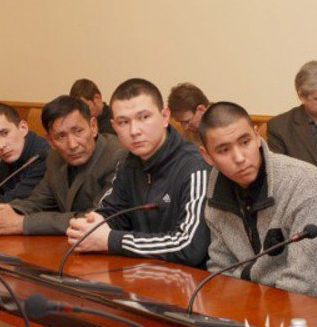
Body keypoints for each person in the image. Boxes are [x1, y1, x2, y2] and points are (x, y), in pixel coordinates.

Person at [66, 78, 210, 268]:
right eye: (124, 122)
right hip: (140, 275)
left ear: (165, 117)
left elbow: (190, 246)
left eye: (144, 117)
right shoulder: (127, 162)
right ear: (114, 126)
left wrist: (112, 240)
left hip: (190, 284)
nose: (134, 131)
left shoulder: (195, 166)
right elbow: (113, 212)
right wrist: (93, 224)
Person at [198, 102, 317, 297]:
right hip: (243, 306)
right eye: (223, 150)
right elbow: (220, 268)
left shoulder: (305, 183)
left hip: (301, 310)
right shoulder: (217, 181)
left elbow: (307, 285)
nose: (239, 158)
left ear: (257, 135)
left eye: (245, 142)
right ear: (207, 156)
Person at [0, 95, 126, 235]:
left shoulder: (117, 156)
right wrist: (8, 210)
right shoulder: (55, 157)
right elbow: (39, 201)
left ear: (93, 127)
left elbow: (95, 219)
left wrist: (22, 223)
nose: (72, 144)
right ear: (50, 141)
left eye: (78, 131)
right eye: (60, 136)